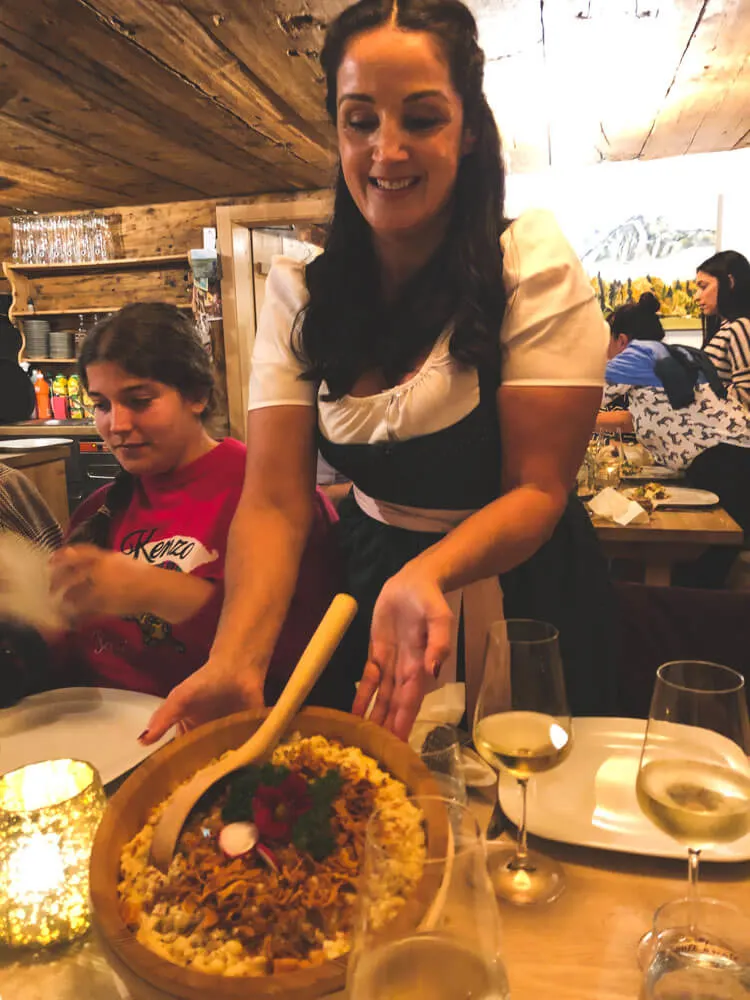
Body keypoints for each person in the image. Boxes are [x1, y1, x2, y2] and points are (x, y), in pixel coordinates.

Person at [142, 0, 612, 746]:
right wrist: (238, 659)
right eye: (360, 121)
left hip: (525, 592)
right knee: (391, 814)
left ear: (469, 130)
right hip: (370, 586)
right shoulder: (302, 294)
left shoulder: (528, 264)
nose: (385, 152)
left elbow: (538, 490)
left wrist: (429, 572)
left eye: (421, 119)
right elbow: (272, 501)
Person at [48, 303, 342, 707]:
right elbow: (66, 657)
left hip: (222, 735)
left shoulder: (268, 499)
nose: (116, 425)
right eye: (101, 404)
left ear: (197, 396)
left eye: (139, 400)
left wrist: (161, 591)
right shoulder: (97, 511)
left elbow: (309, 656)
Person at [599, 299, 750, 586]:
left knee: (695, 577)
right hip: (738, 458)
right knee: (710, 571)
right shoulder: (671, 355)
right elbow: (638, 417)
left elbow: (579, 400)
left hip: (725, 466)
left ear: (620, 339)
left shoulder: (633, 356)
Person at [695, 250, 750, 408]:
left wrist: (703, 399)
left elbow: (746, 393)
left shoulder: (739, 328)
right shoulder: (724, 328)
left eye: (703, 287)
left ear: (729, 282)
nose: (697, 296)